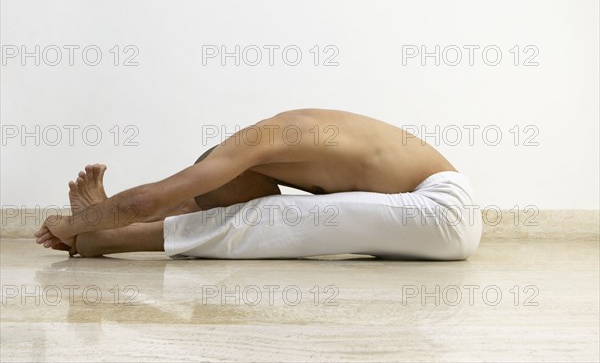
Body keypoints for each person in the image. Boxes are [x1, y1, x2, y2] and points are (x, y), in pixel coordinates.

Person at [34, 108, 482, 260]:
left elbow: (157, 195)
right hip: (429, 218)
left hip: (442, 212)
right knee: (260, 216)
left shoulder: (257, 143)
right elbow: (176, 200)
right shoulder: (283, 139)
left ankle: (102, 241)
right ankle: (103, 230)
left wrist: (73, 226)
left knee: (263, 218)